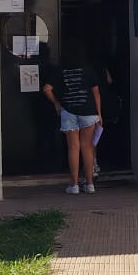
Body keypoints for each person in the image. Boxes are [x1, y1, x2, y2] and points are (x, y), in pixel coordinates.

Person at [42, 41, 102, 195]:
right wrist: (99, 114)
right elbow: (96, 92)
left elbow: (47, 89)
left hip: (69, 111)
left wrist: (57, 103)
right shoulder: (88, 69)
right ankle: (90, 184)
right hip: (88, 112)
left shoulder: (60, 70)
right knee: (87, 148)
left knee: (73, 148)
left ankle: (74, 185)